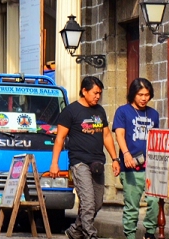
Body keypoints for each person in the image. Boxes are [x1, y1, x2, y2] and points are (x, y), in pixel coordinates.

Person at [50, 76, 121, 239]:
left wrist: (115, 159)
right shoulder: (70, 111)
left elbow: (107, 136)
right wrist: (55, 163)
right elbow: (60, 138)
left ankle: (75, 230)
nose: (97, 96)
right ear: (84, 91)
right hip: (79, 162)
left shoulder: (100, 111)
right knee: (87, 203)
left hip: (97, 163)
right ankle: (90, 235)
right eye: (95, 93)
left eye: (99, 94)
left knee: (97, 203)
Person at [113, 78, 160, 239]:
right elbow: (119, 134)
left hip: (151, 168)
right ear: (133, 94)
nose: (143, 98)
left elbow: (157, 139)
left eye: (147, 94)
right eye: (140, 94)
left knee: (154, 202)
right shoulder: (123, 111)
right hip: (131, 168)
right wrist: (125, 154)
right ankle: (130, 235)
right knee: (132, 206)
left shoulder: (154, 114)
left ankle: (150, 233)